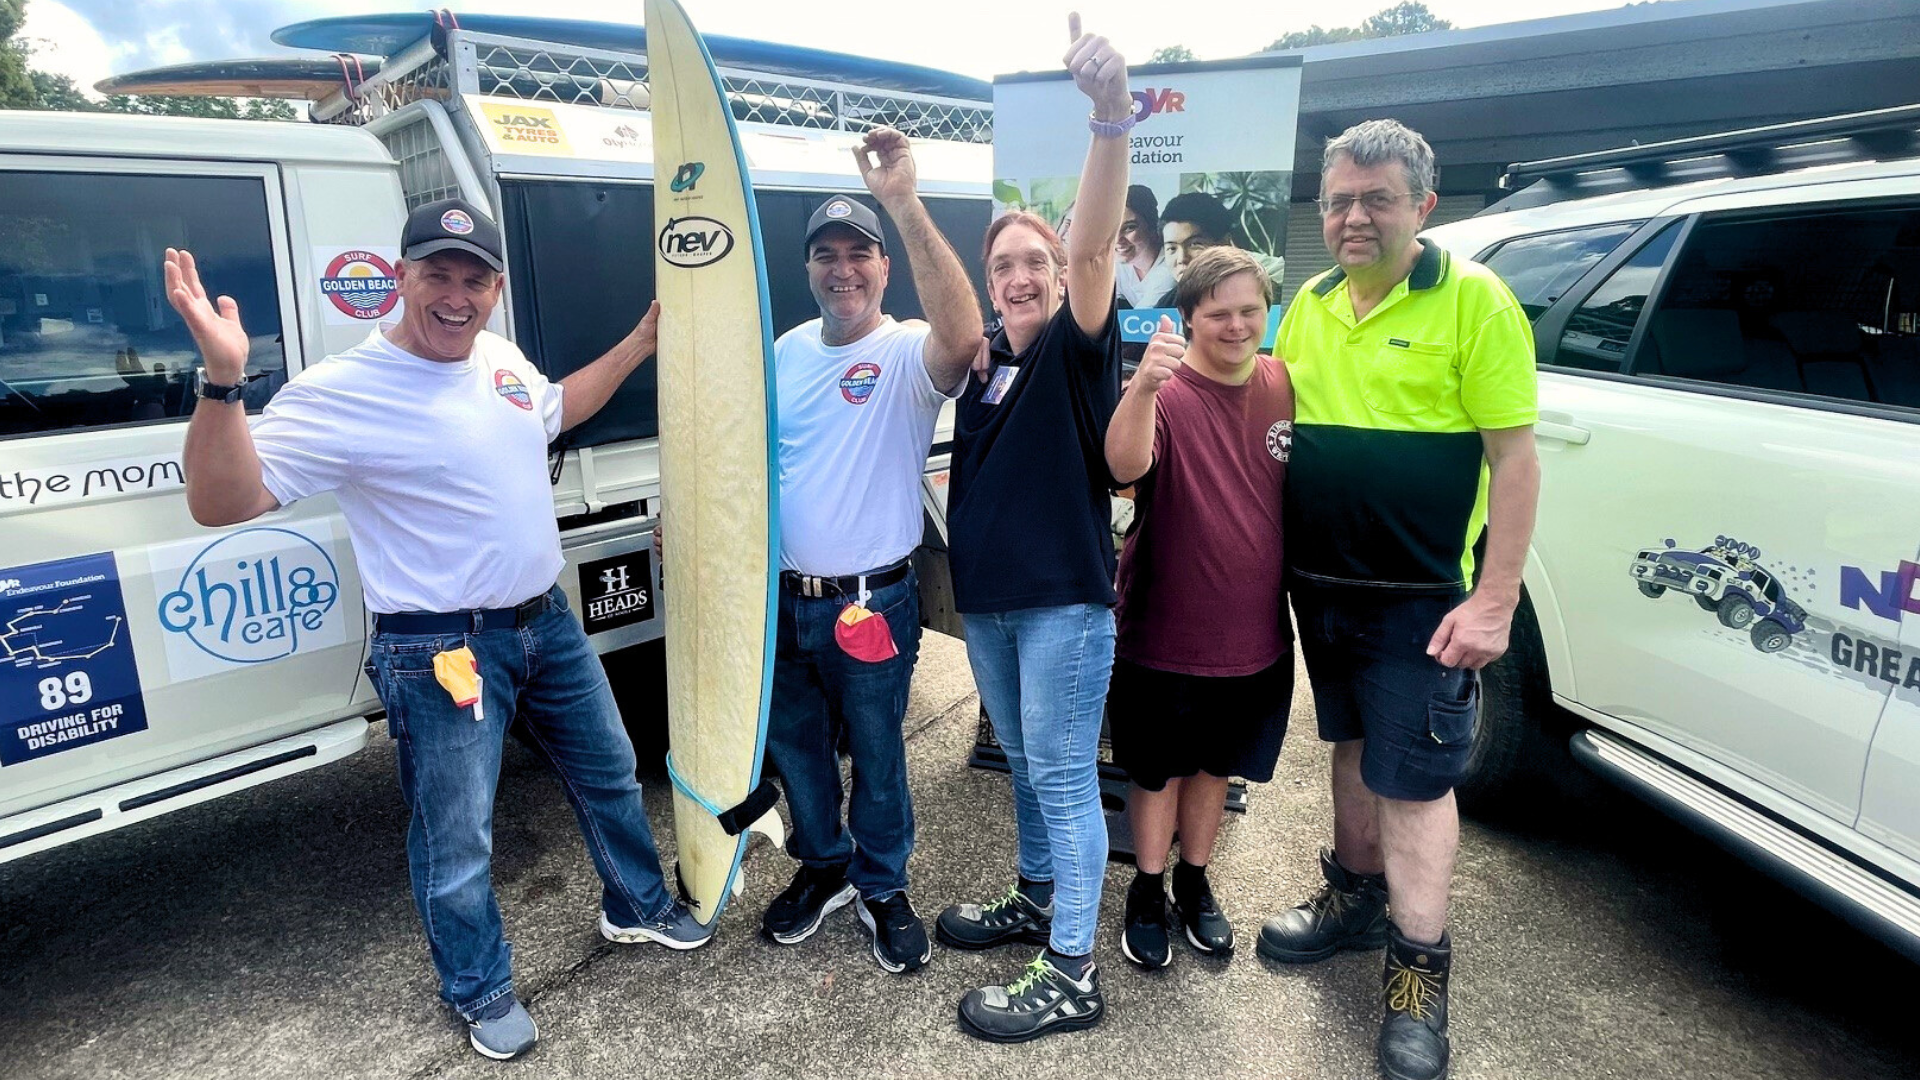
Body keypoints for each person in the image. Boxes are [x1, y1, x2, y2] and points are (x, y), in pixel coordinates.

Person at [166, 198, 701, 1062]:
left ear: (497, 289)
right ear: (400, 277)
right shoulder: (341, 390)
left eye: (474, 280)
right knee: (458, 838)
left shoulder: (497, 355)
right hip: (438, 649)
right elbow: (221, 502)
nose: (457, 296)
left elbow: (555, 408)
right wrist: (223, 383)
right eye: (437, 275)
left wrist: (640, 343)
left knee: (611, 774)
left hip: (545, 624)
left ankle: (636, 905)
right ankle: (478, 987)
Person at [1255, 120, 1540, 1080]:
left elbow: (1515, 462)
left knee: (1414, 783)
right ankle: (1355, 897)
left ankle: (1419, 977)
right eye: (1338, 200)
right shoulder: (1309, 304)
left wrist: (1495, 599)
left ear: (1422, 205)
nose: (1353, 217)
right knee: (1352, 747)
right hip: (1321, 587)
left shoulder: (1476, 302)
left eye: (1376, 199)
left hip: (1421, 600)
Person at [934, 14, 1128, 1044]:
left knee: (1060, 773)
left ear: (1058, 277)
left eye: (1034, 262)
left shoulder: (1074, 347)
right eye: (1002, 263)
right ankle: (1038, 896)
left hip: (1061, 606)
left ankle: (1074, 970)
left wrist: (1110, 117)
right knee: (1022, 760)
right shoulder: (987, 367)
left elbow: (1094, 243)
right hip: (996, 607)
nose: (1019, 276)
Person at [759, 127, 982, 974]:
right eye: (827, 255)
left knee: (880, 755)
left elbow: (964, 338)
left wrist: (904, 202)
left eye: (859, 254)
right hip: (783, 600)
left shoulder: (905, 350)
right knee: (798, 749)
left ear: (885, 269)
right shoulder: (783, 354)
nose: (842, 269)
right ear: (809, 269)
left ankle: (883, 884)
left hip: (872, 602)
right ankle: (826, 867)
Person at [1102, 248, 1293, 970]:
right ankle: (1147, 888)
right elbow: (1124, 467)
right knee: (1156, 772)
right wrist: (1143, 388)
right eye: (1219, 314)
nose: (1237, 326)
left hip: (1254, 636)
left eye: (1250, 310)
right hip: (1163, 633)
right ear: (1187, 317)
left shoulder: (1283, 383)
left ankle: (1194, 880)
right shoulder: (1167, 392)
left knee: (1216, 768)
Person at [1153, 191, 1285, 307]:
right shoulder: (1165, 305)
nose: (1181, 259)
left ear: (1224, 243)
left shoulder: (1264, 291)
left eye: (1194, 244)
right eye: (1172, 248)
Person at [1114, 184, 1174, 309]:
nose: (1117, 239)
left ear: (1152, 226)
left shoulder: (1169, 270)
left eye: (1129, 227)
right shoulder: (1120, 265)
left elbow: (1141, 318)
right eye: (1112, 229)